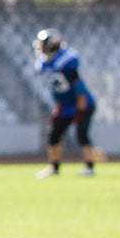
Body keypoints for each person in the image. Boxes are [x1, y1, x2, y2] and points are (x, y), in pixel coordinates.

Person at [34, 29, 97, 179]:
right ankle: (54, 167)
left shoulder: (66, 61)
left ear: (51, 45)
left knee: (81, 134)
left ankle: (89, 167)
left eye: (43, 44)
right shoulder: (44, 63)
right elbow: (55, 88)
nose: (41, 48)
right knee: (53, 135)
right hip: (64, 106)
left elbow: (78, 84)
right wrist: (58, 105)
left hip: (82, 103)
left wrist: (81, 107)